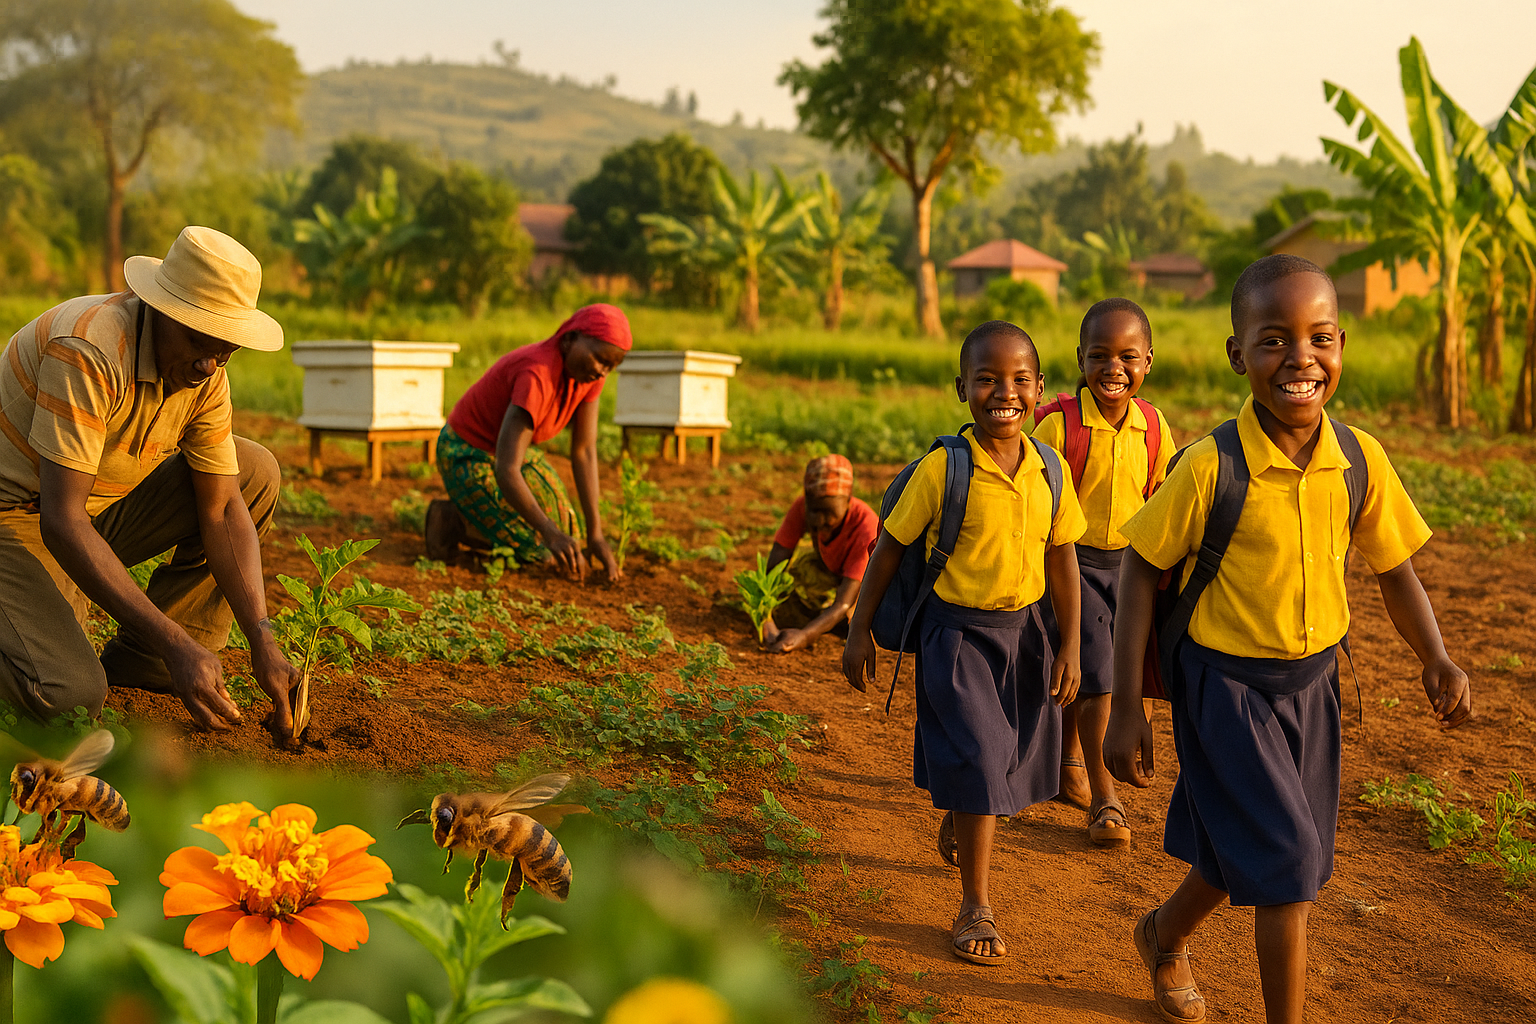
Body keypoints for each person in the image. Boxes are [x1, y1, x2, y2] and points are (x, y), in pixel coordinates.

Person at [1104, 254, 1473, 1024]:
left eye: (1321, 338)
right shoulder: (1210, 465)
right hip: (1224, 688)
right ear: (1238, 354)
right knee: (1290, 866)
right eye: (1274, 340)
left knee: (1248, 847)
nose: (1301, 359)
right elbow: (1139, 571)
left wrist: (1434, 656)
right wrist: (1128, 707)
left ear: (1340, 346)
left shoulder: (1360, 459)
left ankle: (1163, 937)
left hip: (1313, 686)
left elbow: (1394, 571)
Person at [843, 320, 1086, 966]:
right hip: (956, 638)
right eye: (986, 379)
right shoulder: (942, 470)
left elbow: (1064, 560)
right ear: (962, 389)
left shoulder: (1050, 471)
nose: (1003, 392)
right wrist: (859, 627)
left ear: (1040, 389)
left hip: (1025, 636)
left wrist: (1071, 646)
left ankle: (965, 814)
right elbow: (889, 549)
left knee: (1008, 760)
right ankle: (975, 904)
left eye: (1018, 380)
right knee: (982, 756)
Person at [0, 226, 302, 737]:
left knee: (250, 473)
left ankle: (148, 661)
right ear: (161, 310)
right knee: (69, 696)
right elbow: (62, 520)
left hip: (89, 512)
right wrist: (177, 644)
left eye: (225, 351)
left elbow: (223, 510)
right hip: (21, 517)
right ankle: (165, 650)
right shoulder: (90, 346)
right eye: (199, 343)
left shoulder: (205, 371)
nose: (209, 365)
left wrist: (262, 637)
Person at [1033, 298, 1172, 846]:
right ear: (1081, 359)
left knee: (1097, 670)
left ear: (1148, 361)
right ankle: (1104, 795)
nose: (1114, 368)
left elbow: (1162, 499)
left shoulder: (1155, 427)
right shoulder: (1057, 426)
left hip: (1131, 569)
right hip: (1072, 562)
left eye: (1128, 356)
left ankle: (1068, 761)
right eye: (1100, 356)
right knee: (1102, 676)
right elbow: (1035, 503)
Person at [426, 304, 630, 582]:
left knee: (570, 533)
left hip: (514, 452)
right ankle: (454, 523)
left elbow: (584, 450)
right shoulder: (537, 374)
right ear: (569, 339)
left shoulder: (589, 377)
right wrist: (549, 534)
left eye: (611, 366)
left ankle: (483, 519)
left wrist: (596, 535)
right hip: (467, 449)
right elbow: (507, 469)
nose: (603, 372)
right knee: (542, 550)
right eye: (599, 359)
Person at [760, 454, 879, 654]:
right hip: (833, 572)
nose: (819, 520)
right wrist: (766, 616)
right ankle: (823, 618)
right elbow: (778, 558)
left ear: (848, 500)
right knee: (800, 574)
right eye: (813, 510)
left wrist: (805, 636)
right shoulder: (801, 508)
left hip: (864, 586)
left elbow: (844, 601)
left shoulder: (866, 528)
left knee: (854, 616)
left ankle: (843, 623)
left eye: (829, 513)